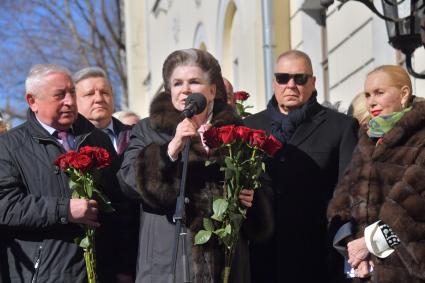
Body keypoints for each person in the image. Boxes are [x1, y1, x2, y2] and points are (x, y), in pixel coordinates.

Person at [117, 48, 272, 282]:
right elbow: (127, 182)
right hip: (168, 263)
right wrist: (171, 148)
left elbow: (263, 193)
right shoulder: (147, 130)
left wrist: (252, 197)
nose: (185, 90)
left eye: (194, 82)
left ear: (212, 90)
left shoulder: (236, 134)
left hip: (226, 263)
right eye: (177, 83)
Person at [244, 50, 359, 283]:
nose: (291, 85)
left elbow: (350, 191)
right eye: (283, 78)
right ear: (274, 82)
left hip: (316, 256)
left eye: (300, 78)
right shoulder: (249, 127)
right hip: (261, 256)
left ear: (313, 82)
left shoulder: (341, 127)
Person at [0, 64, 117, 282]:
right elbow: (5, 206)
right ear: (32, 101)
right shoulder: (8, 147)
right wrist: (64, 210)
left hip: (100, 270)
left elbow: (118, 205)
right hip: (45, 273)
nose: (70, 102)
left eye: (72, 92)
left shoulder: (96, 139)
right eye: (59, 95)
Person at [327, 65, 425, 282]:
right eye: (368, 94)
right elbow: (342, 200)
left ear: (404, 94)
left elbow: (412, 207)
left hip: (410, 270)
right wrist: (353, 250)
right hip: (367, 271)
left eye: (380, 93)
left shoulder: (420, 137)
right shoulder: (368, 140)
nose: (371, 101)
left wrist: (369, 244)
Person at [74, 66, 139, 282]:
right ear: (75, 101)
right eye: (89, 94)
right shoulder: (68, 144)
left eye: (104, 92)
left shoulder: (136, 137)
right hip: (88, 256)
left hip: (135, 248)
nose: (99, 98)